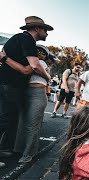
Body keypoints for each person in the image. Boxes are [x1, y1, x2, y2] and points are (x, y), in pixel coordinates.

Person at [0, 16, 52, 166]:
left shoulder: (19, 40)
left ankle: (5, 148)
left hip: (10, 85)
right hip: (9, 85)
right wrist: (47, 76)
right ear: (36, 29)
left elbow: (27, 68)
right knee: (6, 120)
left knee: (10, 120)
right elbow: (31, 68)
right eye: (45, 30)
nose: (47, 33)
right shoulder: (27, 39)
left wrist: (4, 59)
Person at [8, 45, 58, 163]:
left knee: (32, 124)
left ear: (45, 57)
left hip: (37, 94)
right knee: (22, 122)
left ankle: (28, 153)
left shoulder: (40, 63)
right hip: (25, 93)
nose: (39, 52)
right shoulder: (29, 61)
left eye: (43, 52)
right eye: (37, 49)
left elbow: (29, 70)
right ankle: (19, 149)